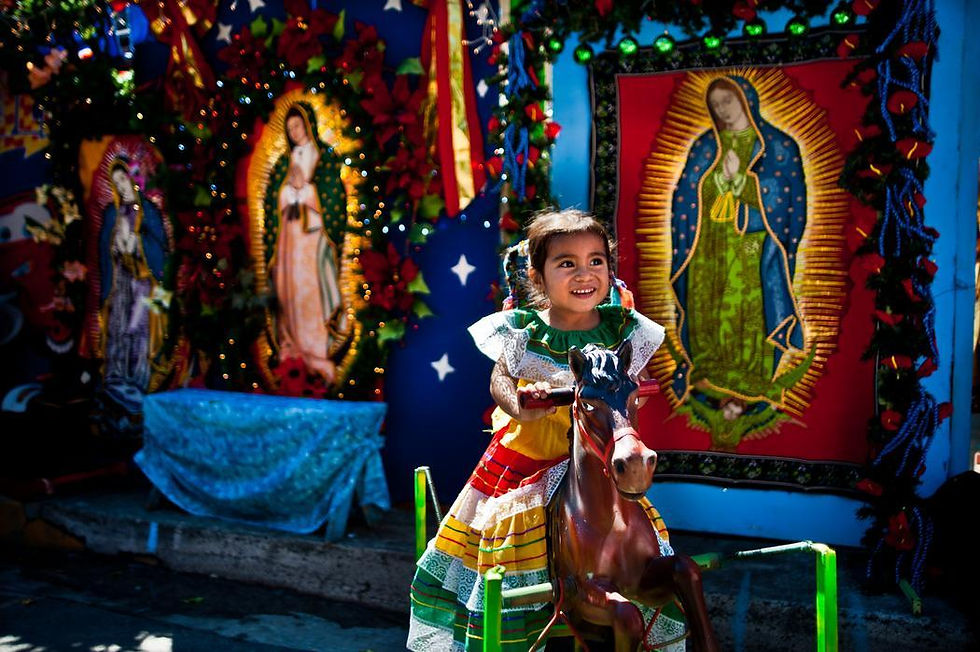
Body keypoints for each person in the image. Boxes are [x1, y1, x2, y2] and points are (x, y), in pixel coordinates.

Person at [407, 209, 669, 651]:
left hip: (595, 465)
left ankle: (648, 602)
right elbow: (500, 379)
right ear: (538, 275)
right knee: (504, 547)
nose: (584, 274)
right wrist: (523, 406)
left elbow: (628, 389)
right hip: (528, 461)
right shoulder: (524, 330)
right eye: (566, 263)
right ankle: (503, 619)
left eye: (596, 261)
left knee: (644, 534)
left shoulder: (624, 328)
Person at [668, 75, 808, 444]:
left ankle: (750, 377)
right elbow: (684, 196)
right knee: (708, 308)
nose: (722, 111)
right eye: (715, 106)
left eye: (727, 101)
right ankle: (708, 368)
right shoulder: (704, 146)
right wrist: (713, 184)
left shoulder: (777, 147)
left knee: (747, 310)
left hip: (753, 246)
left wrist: (744, 182)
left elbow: (787, 204)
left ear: (746, 100)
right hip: (708, 245)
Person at [266, 103, 350, 384]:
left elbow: (332, 200)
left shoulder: (323, 159)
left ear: (308, 126)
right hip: (288, 240)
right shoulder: (283, 163)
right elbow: (273, 203)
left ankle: (315, 350)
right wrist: (289, 192)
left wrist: (305, 190)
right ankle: (292, 350)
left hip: (313, 238)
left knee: (310, 289)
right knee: (288, 291)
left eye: (298, 126)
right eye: (289, 129)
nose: (294, 132)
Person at [98, 156, 169, 414]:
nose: (121, 185)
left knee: (138, 328)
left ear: (133, 178)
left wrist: (137, 243)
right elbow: (104, 251)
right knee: (118, 326)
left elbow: (161, 247)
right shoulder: (112, 214)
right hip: (121, 281)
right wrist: (117, 247)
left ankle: (140, 380)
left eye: (123, 179)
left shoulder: (147, 210)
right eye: (116, 182)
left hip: (143, 281)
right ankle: (116, 377)